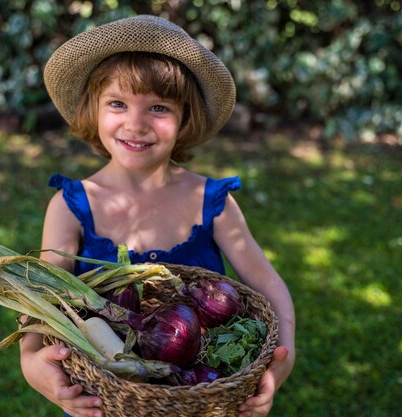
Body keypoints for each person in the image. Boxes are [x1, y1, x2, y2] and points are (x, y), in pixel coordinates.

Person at [19, 15, 295, 417]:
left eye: (159, 107)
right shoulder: (73, 204)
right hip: (106, 400)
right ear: (93, 109)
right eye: (117, 103)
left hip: (200, 401)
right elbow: (43, 297)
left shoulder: (210, 202)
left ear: (185, 118)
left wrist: (282, 358)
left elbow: (267, 282)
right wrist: (32, 364)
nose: (136, 123)